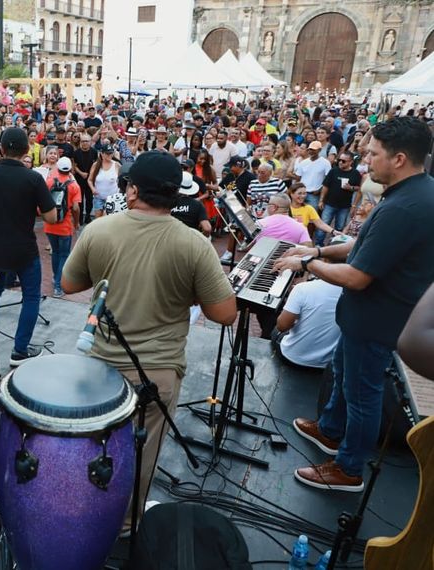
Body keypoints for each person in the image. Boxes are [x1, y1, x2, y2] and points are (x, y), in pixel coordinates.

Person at [61, 150, 237, 531]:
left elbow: (69, 283)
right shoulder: (194, 244)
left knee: (97, 443)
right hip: (156, 373)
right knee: (142, 450)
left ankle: (83, 511)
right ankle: (125, 523)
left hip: (99, 365)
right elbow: (225, 314)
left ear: (134, 189)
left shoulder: (99, 230)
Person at [274, 117, 434, 492]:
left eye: (373, 154)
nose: (366, 160)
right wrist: (317, 249)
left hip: (376, 320)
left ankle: (348, 469)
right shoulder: (413, 193)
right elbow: (362, 247)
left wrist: (306, 264)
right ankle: (330, 430)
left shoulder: (403, 208)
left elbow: (358, 275)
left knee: (363, 396)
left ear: (398, 159)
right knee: (343, 374)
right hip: (365, 317)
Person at [0, 127, 57, 366]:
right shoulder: (33, 178)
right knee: (31, 297)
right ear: (27, 149)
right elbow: (51, 217)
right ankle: (19, 350)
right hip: (25, 250)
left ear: (1, 149)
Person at [273, 277, 342, 370]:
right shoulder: (356, 292)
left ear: (322, 261)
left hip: (292, 359)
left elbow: (282, 326)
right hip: (328, 365)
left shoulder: (302, 289)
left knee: (274, 329)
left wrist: (292, 299)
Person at [43, 157, 81, 298]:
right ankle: (58, 286)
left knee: (56, 252)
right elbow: (76, 208)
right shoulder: (74, 186)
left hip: (50, 224)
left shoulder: (49, 181)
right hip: (65, 226)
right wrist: (76, 223)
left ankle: (55, 278)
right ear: (70, 169)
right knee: (64, 254)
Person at [317, 151, 361, 245]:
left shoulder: (355, 173)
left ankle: (334, 246)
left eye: (344, 161)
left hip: (344, 206)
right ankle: (318, 244)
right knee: (323, 226)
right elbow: (325, 186)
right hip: (330, 203)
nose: (340, 162)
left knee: (339, 228)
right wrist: (321, 200)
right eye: (339, 160)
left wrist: (351, 188)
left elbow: (358, 188)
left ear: (351, 162)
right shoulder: (333, 171)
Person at [293, 141, 332, 208]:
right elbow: (298, 178)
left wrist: (319, 190)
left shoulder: (325, 163)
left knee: (312, 216)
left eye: (314, 150)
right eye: (309, 149)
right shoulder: (304, 162)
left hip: (314, 195)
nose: (311, 151)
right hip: (302, 193)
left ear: (319, 150)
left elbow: (328, 179)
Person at [88, 145, 120, 218]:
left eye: (111, 153)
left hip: (112, 198)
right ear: (102, 153)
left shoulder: (117, 165)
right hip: (98, 197)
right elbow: (89, 180)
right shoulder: (96, 165)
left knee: (107, 219)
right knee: (98, 220)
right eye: (107, 153)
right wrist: (93, 189)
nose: (110, 155)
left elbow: (121, 181)